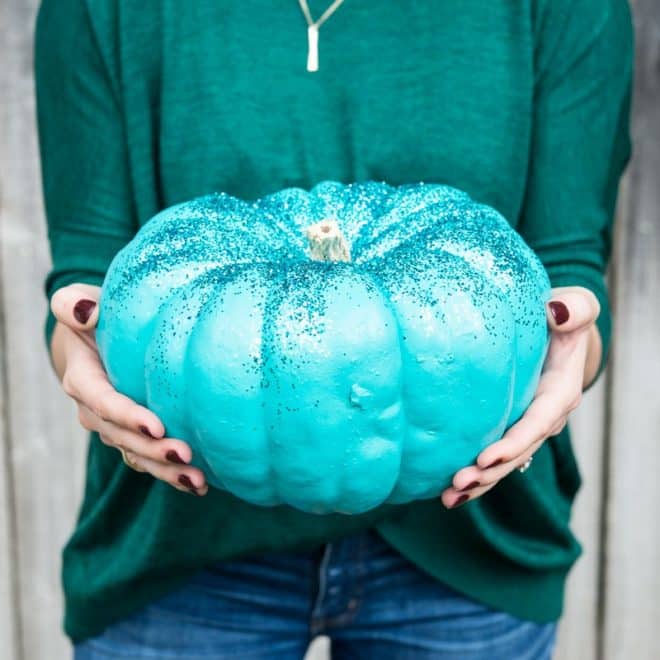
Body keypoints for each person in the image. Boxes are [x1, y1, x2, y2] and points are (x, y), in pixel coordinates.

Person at [36, 0, 633, 658]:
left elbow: (567, 275)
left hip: (469, 556)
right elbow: (90, 286)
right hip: (177, 554)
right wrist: (84, 354)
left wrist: (566, 353)